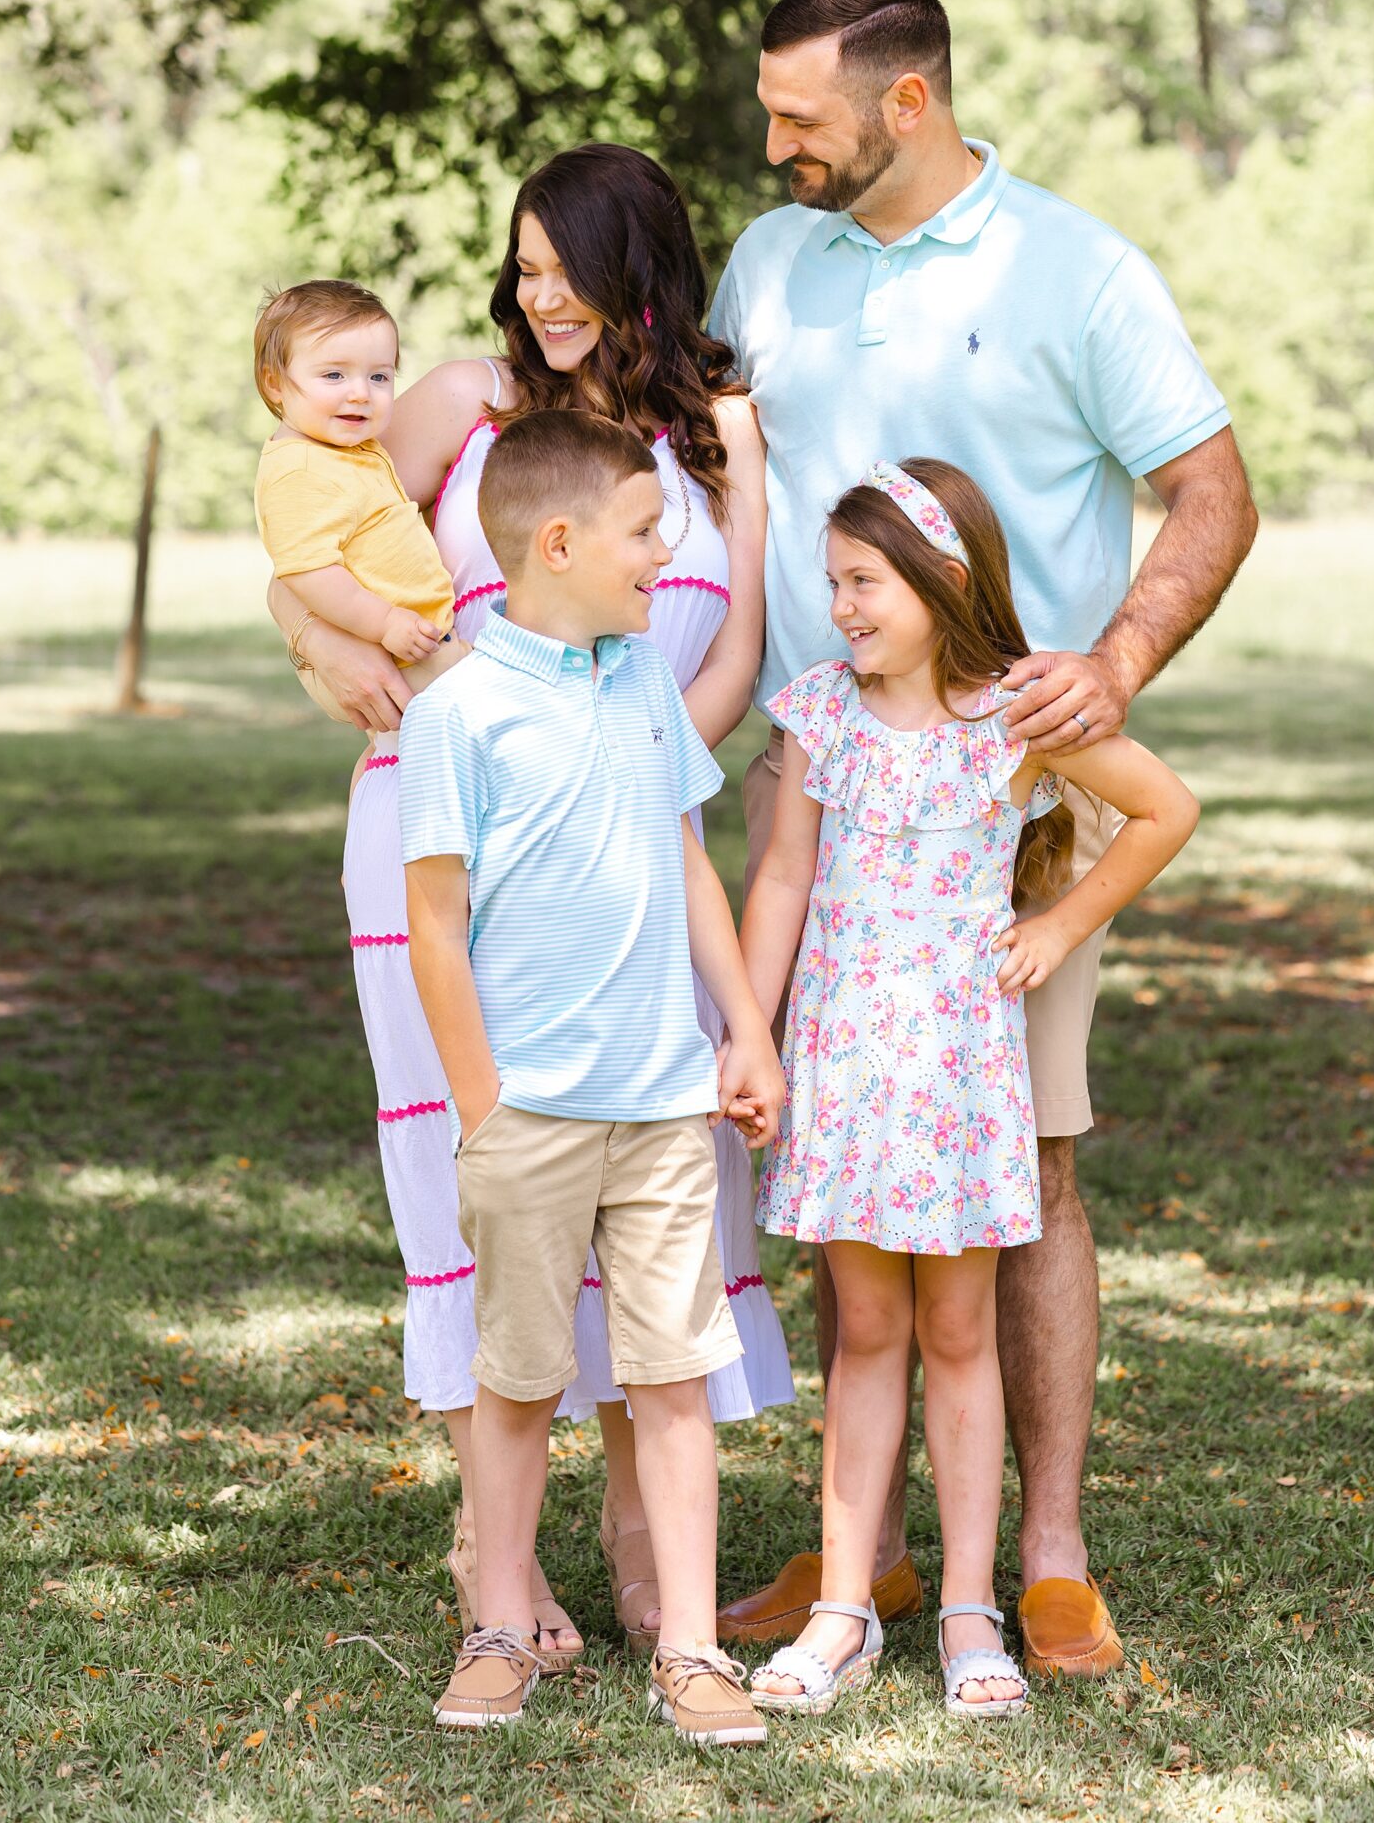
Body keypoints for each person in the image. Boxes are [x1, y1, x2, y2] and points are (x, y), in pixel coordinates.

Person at [711, 0, 1257, 1680]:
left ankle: (1043, 1559)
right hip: (820, 793)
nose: (776, 147)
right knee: (844, 1174)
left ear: (907, 102)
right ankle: (854, 1557)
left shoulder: (1074, 270)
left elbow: (1213, 492)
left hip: (1009, 807)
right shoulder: (769, 258)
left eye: (801, 120)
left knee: (1027, 1162)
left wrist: (1118, 661)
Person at [266, 146, 790, 1666]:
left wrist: (632, 792)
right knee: (469, 1158)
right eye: (521, 269)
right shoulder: (453, 410)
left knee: (651, 1165)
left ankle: (640, 1533)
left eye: (561, 268)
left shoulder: (721, 435)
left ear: (640, 267)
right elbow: (300, 557)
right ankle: (489, 1548)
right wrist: (325, 661)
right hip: (435, 838)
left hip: (634, 846)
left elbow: (736, 651)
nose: (536, 296)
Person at [740, 458, 1198, 1719]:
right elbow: (783, 880)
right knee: (866, 1334)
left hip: (954, 1079)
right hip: (844, 1067)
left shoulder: (1014, 718)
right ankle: (843, 1607)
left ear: (944, 580)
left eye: (864, 581)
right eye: (831, 580)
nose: (840, 605)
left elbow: (1164, 808)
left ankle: (966, 1610)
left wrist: (1057, 929)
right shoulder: (821, 712)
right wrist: (755, 1029)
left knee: (959, 1337)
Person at [401, 412, 785, 1740]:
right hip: (530, 1118)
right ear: (556, 544)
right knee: (515, 1379)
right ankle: (499, 1627)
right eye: (641, 530)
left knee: (671, 1380)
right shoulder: (457, 713)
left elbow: (687, 860)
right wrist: (481, 1109)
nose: (660, 551)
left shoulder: (639, 691)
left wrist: (741, 1025)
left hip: (666, 1107)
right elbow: (432, 928)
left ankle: (690, 1650)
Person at [252, 280, 462, 692]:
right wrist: (384, 623)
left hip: (414, 640)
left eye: (379, 376)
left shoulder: (348, 450)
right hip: (394, 653)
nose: (361, 393)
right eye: (334, 375)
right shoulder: (299, 469)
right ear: (275, 383)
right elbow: (309, 572)